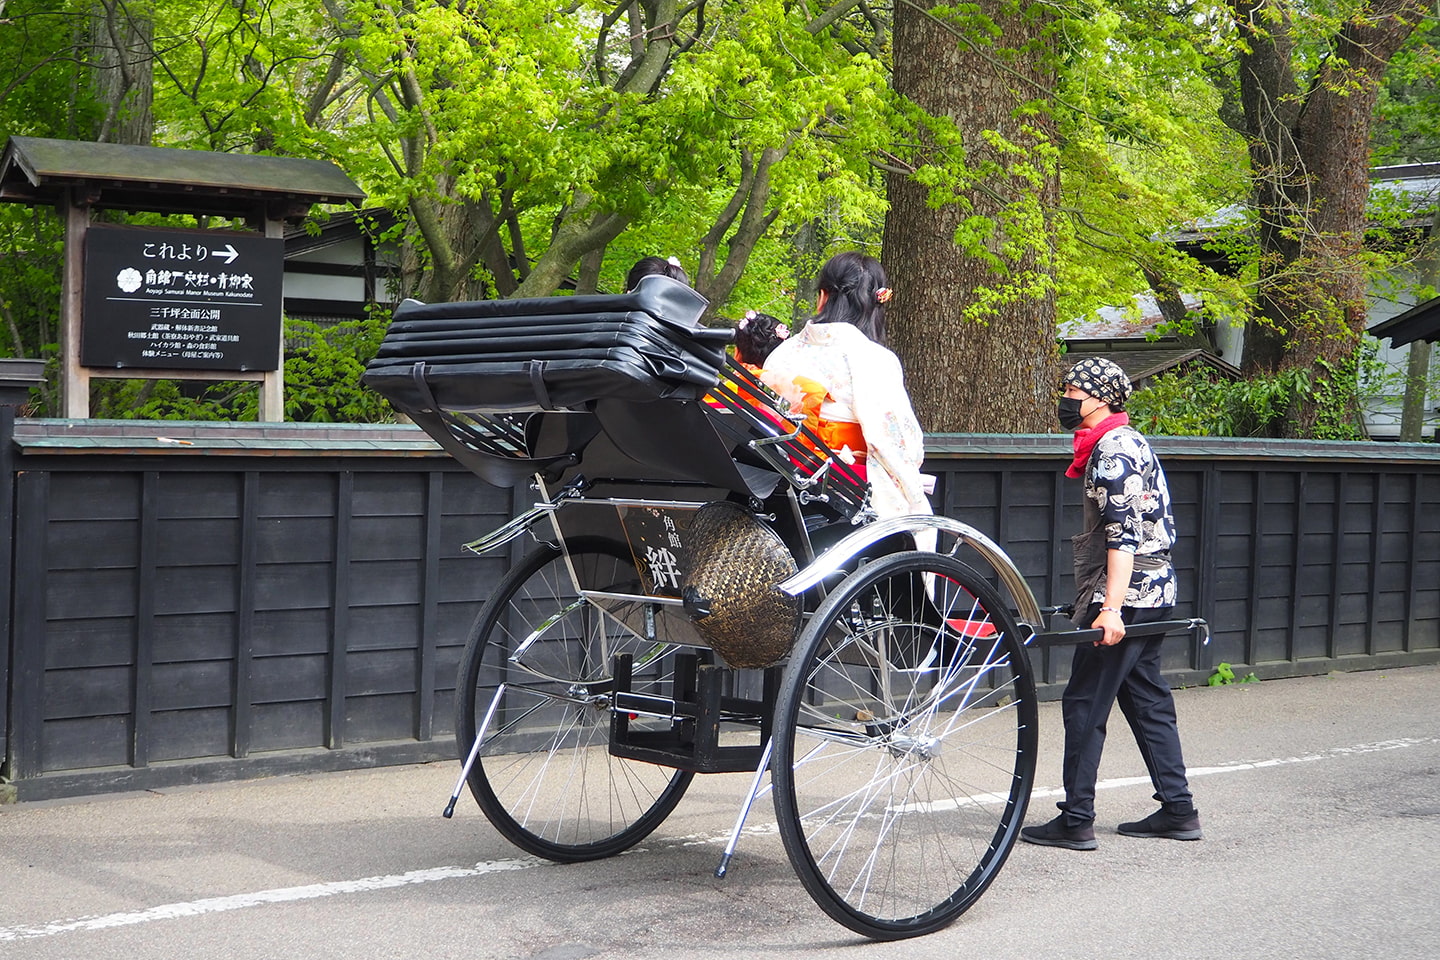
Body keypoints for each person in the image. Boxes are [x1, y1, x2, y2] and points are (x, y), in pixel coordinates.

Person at [1020, 356, 1201, 851]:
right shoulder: (1126, 440)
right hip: (1157, 587)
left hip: (1131, 592)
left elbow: (1123, 537)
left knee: (1084, 702)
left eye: (1073, 391)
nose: (1066, 400)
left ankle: (1076, 818)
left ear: (1099, 397)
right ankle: (1179, 809)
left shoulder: (1112, 451)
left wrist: (1111, 608)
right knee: (1146, 698)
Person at [760, 251, 930, 522]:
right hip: (844, 488)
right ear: (875, 304)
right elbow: (900, 444)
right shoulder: (872, 359)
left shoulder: (781, 353)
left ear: (823, 297)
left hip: (778, 482)